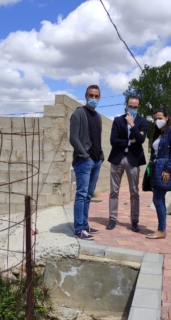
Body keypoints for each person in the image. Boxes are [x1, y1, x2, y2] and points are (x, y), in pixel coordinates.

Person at [106, 95, 148, 232]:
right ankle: (112, 218)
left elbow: (141, 139)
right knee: (114, 191)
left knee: (134, 192)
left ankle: (134, 221)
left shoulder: (142, 122)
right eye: (130, 106)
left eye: (135, 107)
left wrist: (132, 124)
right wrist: (130, 142)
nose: (133, 109)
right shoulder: (118, 120)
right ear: (126, 105)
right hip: (117, 158)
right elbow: (113, 140)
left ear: (138, 107)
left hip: (133, 159)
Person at [69, 84, 104, 240]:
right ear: (86, 95)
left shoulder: (98, 117)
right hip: (84, 161)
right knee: (81, 194)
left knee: (88, 195)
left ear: (99, 97)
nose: (93, 99)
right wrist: (85, 156)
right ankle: (78, 229)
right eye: (91, 95)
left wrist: (100, 156)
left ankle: (85, 225)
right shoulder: (78, 114)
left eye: (96, 96)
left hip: (96, 161)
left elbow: (97, 139)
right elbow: (73, 138)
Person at [147, 108, 171, 239]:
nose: (157, 120)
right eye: (155, 118)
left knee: (158, 199)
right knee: (159, 199)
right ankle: (162, 229)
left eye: (160, 118)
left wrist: (168, 169)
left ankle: (161, 230)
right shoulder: (159, 132)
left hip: (164, 167)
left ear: (167, 117)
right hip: (156, 167)